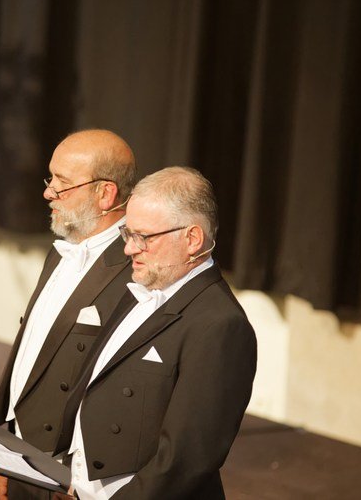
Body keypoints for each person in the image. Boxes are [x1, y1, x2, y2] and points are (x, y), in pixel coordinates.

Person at [53, 166, 257, 499]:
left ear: (192, 239)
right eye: (127, 234)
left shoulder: (221, 326)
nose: (129, 249)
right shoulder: (139, 287)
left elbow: (186, 459)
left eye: (144, 237)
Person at [0, 129, 136, 499]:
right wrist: (5, 444)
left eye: (63, 183)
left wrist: (75, 477)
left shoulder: (134, 271)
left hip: (63, 476)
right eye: (50, 179)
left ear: (105, 194)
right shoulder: (61, 251)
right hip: (17, 452)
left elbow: (121, 393)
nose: (48, 192)